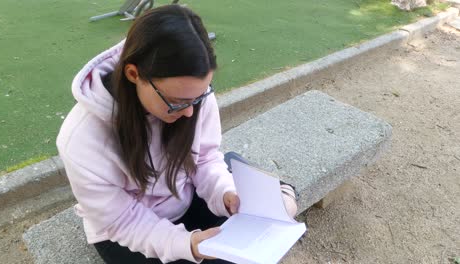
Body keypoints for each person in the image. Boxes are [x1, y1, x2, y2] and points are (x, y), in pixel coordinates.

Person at [57, 5, 297, 264]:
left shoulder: (191, 96)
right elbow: (121, 220)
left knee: (262, 216)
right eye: (177, 101)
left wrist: (225, 193)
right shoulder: (82, 138)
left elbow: (204, 158)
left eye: (199, 97)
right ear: (133, 74)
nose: (190, 113)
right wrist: (187, 245)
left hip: (184, 196)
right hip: (125, 229)